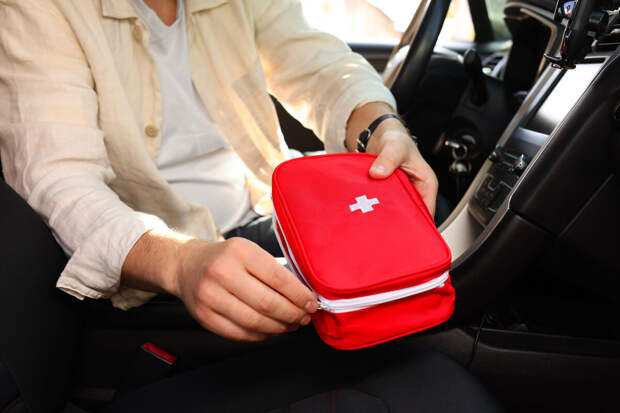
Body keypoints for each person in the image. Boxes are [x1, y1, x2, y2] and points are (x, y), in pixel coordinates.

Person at [0, 0, 437, 342]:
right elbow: (62, 184)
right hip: (167, 273)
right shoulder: (40, 8)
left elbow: (321, 67)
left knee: (416, 239)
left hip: (270, 208)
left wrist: (382, 128)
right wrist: (180, 263)